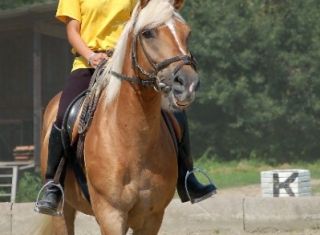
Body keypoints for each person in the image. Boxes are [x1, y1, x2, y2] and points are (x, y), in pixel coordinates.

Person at [35, 0, 216, 216]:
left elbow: (157, 9)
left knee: (175, 113)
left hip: (128, 62)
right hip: (88, 63)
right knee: (64, 114)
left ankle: (187, 176)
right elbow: (73, 30)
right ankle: (53, 185)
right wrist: (91, 56)